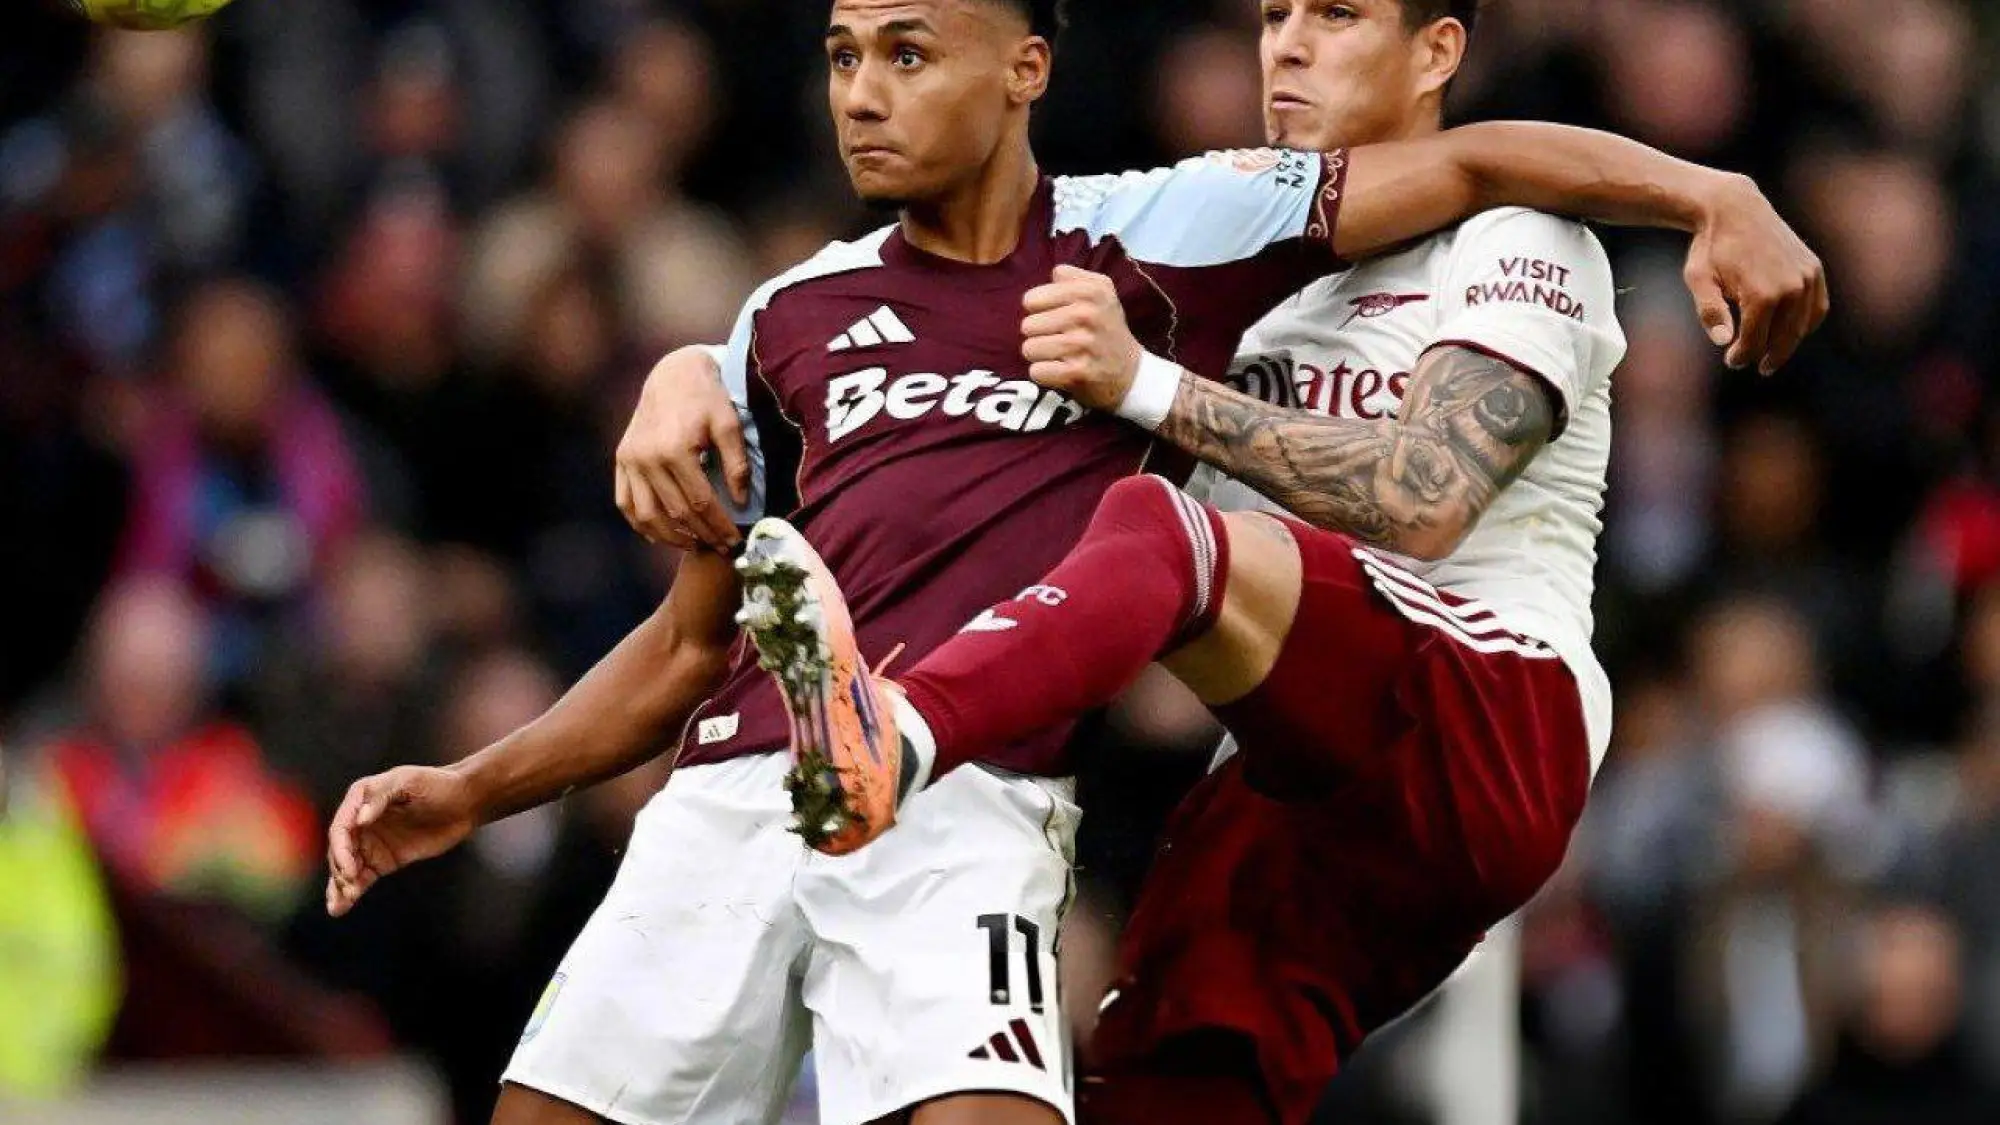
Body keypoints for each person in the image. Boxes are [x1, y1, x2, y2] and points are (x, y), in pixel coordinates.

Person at [328, 3, 1825, 1124]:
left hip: (1472, 716)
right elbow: (686, 624)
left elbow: (1420, 498)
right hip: (1281, 779)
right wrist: (674, 370)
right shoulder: (861, 303)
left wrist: (1716, 192)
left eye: (1336, 16)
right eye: (1271, 18)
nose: (1288, 49)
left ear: (1437, 45)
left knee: (1169, 532)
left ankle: (895, 728)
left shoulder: (1480, 244)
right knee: (1158, 1077)